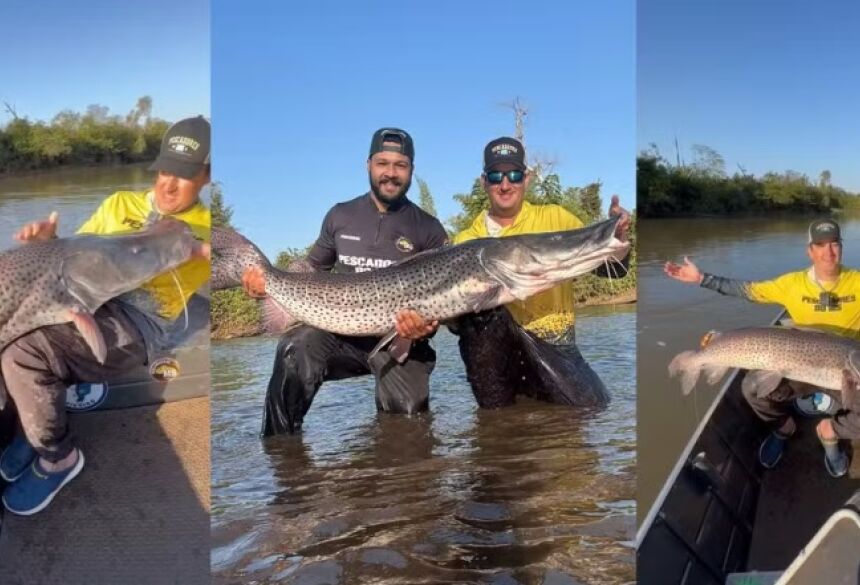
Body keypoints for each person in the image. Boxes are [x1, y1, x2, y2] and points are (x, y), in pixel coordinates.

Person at [0, 116, 211, 515]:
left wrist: (207, 252)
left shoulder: (210, 227)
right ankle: (33, 427)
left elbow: (244, 268)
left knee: (23, 353)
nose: (168, 185)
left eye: (184, 176)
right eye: (164, 170)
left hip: (139, 321)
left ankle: (59, 457)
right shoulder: (119, 203)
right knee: (13, 340)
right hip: (86, 297)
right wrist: (47, 244)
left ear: (206, 177)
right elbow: (74, 252)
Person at [243, 128, 448, 435]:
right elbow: (309, 270)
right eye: (382, 163)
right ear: (368, 165)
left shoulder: (428, 228)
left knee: (408, 433)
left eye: (400, 165)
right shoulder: (340, 216)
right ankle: (279, 450)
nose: (390, 173)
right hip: (341, 337)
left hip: (400, 341)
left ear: (411, 171)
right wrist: (266, 286)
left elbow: (445, 299)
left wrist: (427, 327)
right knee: (293, 348)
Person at [664, 218, 859, 477]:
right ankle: (784, 428)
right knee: (751, 388)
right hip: (792, 364)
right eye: (820, 245)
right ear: (809, 251)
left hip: (845, 366)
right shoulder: (791, 284)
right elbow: (748, 290)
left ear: (841, 248)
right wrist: (702, 278)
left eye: (834, 244)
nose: (828, 252)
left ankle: (829, 431)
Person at [452, 137, 631, 406]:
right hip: (496, 355)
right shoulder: (466, 240)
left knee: (594, 409)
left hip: (558, 348)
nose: (505, 184)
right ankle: (496, 415)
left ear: (527, 178)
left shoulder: (556, 217)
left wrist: (615, 241)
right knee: (484, 316)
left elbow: (612, 271)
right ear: (483, 182)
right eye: (495, 176)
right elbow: (457, 322)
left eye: (513, 175)